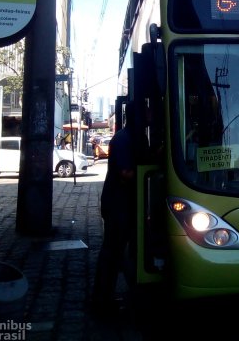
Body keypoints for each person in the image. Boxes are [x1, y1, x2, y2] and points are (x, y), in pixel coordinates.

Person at [92, 101, 142, 317]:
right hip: (117, 206)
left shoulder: (134, 137)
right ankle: (102, 300)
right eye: (146, 111)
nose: (150, 114)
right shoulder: (123, 139)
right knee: (112, 253)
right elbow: (126, 174)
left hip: (125, 205)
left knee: (118, 252)